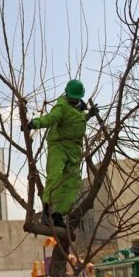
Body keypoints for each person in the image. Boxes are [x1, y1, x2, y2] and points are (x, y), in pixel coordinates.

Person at [27, 79, 98, 227]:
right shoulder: (61, 106)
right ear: (66, 93)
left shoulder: (80, 110)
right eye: (71, 97)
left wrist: (89, 115)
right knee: (55, 175)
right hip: (59, 145)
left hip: (74, 149)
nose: (73, 99)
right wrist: (34, 123)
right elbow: (51, 118)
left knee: (72, 183)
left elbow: (75, 119)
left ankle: (59, 214)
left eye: (75, 97)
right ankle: (47, 211)